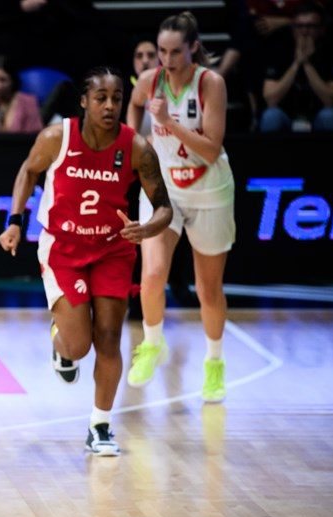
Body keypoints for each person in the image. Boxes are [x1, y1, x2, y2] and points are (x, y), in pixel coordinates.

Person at [0, 67, 173, 456]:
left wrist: (147, 229)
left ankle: (100, 425)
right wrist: (14, 221)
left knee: (109, 337)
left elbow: (164, 206)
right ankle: (62, 343)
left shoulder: (136, 147)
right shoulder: (57, 137)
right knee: (79, 346)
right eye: (101, 98)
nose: (110, 106)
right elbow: (28, 171)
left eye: (116, 99)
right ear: (84, 102)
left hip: (112, 250)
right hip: (64, 250)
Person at [126, 12, 237, 403]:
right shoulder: (148, 81)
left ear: (193, 48)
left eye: (176, 52)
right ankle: (152, 344)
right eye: (161, 51)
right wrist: (140, 146)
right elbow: (136, 108)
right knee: (152, 274)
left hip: (209, 188)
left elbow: (210, 149)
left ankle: (214, 363)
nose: (167, 60)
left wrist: (168, 124)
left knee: (208, 289)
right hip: (164, 189)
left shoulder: (211, 83)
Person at [260, 2, 333, 132]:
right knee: (271, 116)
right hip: (287, 116)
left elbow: (330, 101)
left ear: (322, 29)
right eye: (299, 26)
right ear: (293, 29)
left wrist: (307, 64)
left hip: (317, 117)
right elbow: (271, 99)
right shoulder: (279, 52)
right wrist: (297, 63)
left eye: (310, 26)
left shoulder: (330, 53)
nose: (304, 31)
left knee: (330, 115)